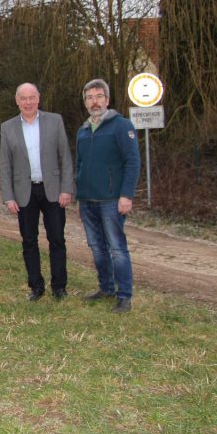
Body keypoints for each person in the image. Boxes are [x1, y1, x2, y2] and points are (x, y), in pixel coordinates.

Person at [0, 83, 74, 301]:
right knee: (29, 241)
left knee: (57, 239)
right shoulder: (8, 127)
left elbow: (65, 158)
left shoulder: (55, 120)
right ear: (17, 101)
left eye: (32, 97)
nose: (28, 102)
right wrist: (8, 196)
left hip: (53, 190)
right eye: (23, 98)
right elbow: (5, 165)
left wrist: (66, 189)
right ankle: (36, 287)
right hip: (24, 192)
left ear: (38, 98)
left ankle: (59, 287)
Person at [75, 78, 141, 313]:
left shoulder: (121, 126)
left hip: (112, 200)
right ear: (85, 102)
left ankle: (124, 295)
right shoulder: (83, 131)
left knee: (117, 248)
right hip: (88, 200)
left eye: (99, 96)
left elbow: (132, 162)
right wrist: (79, 195)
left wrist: (126, 195)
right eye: (90, 97)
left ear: (107, 100)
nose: (95, 102)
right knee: (96, 246)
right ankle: (106, 287)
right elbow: (79, 165)